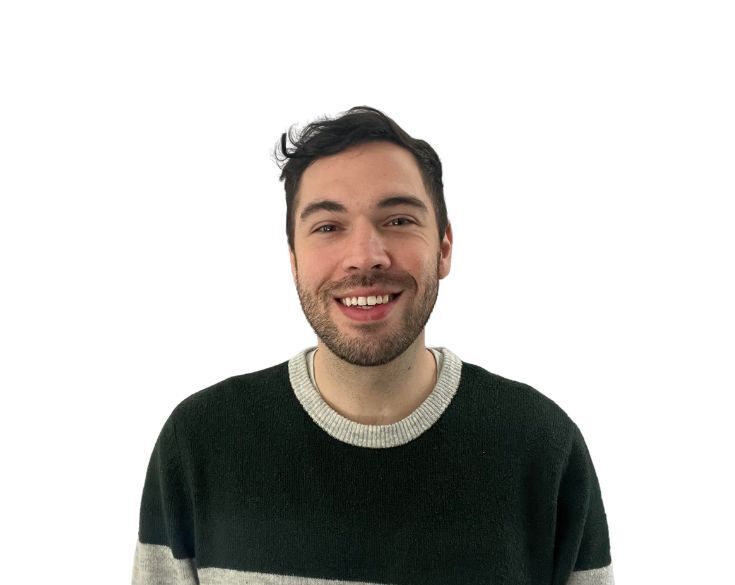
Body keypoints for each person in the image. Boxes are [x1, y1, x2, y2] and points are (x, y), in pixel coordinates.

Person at [131, 106, 614, 585]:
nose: (365, 256)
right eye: (328, 227)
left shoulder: (542, 448)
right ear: (294, 260)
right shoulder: (199, 444)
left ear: (444, 247)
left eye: (399, 220)